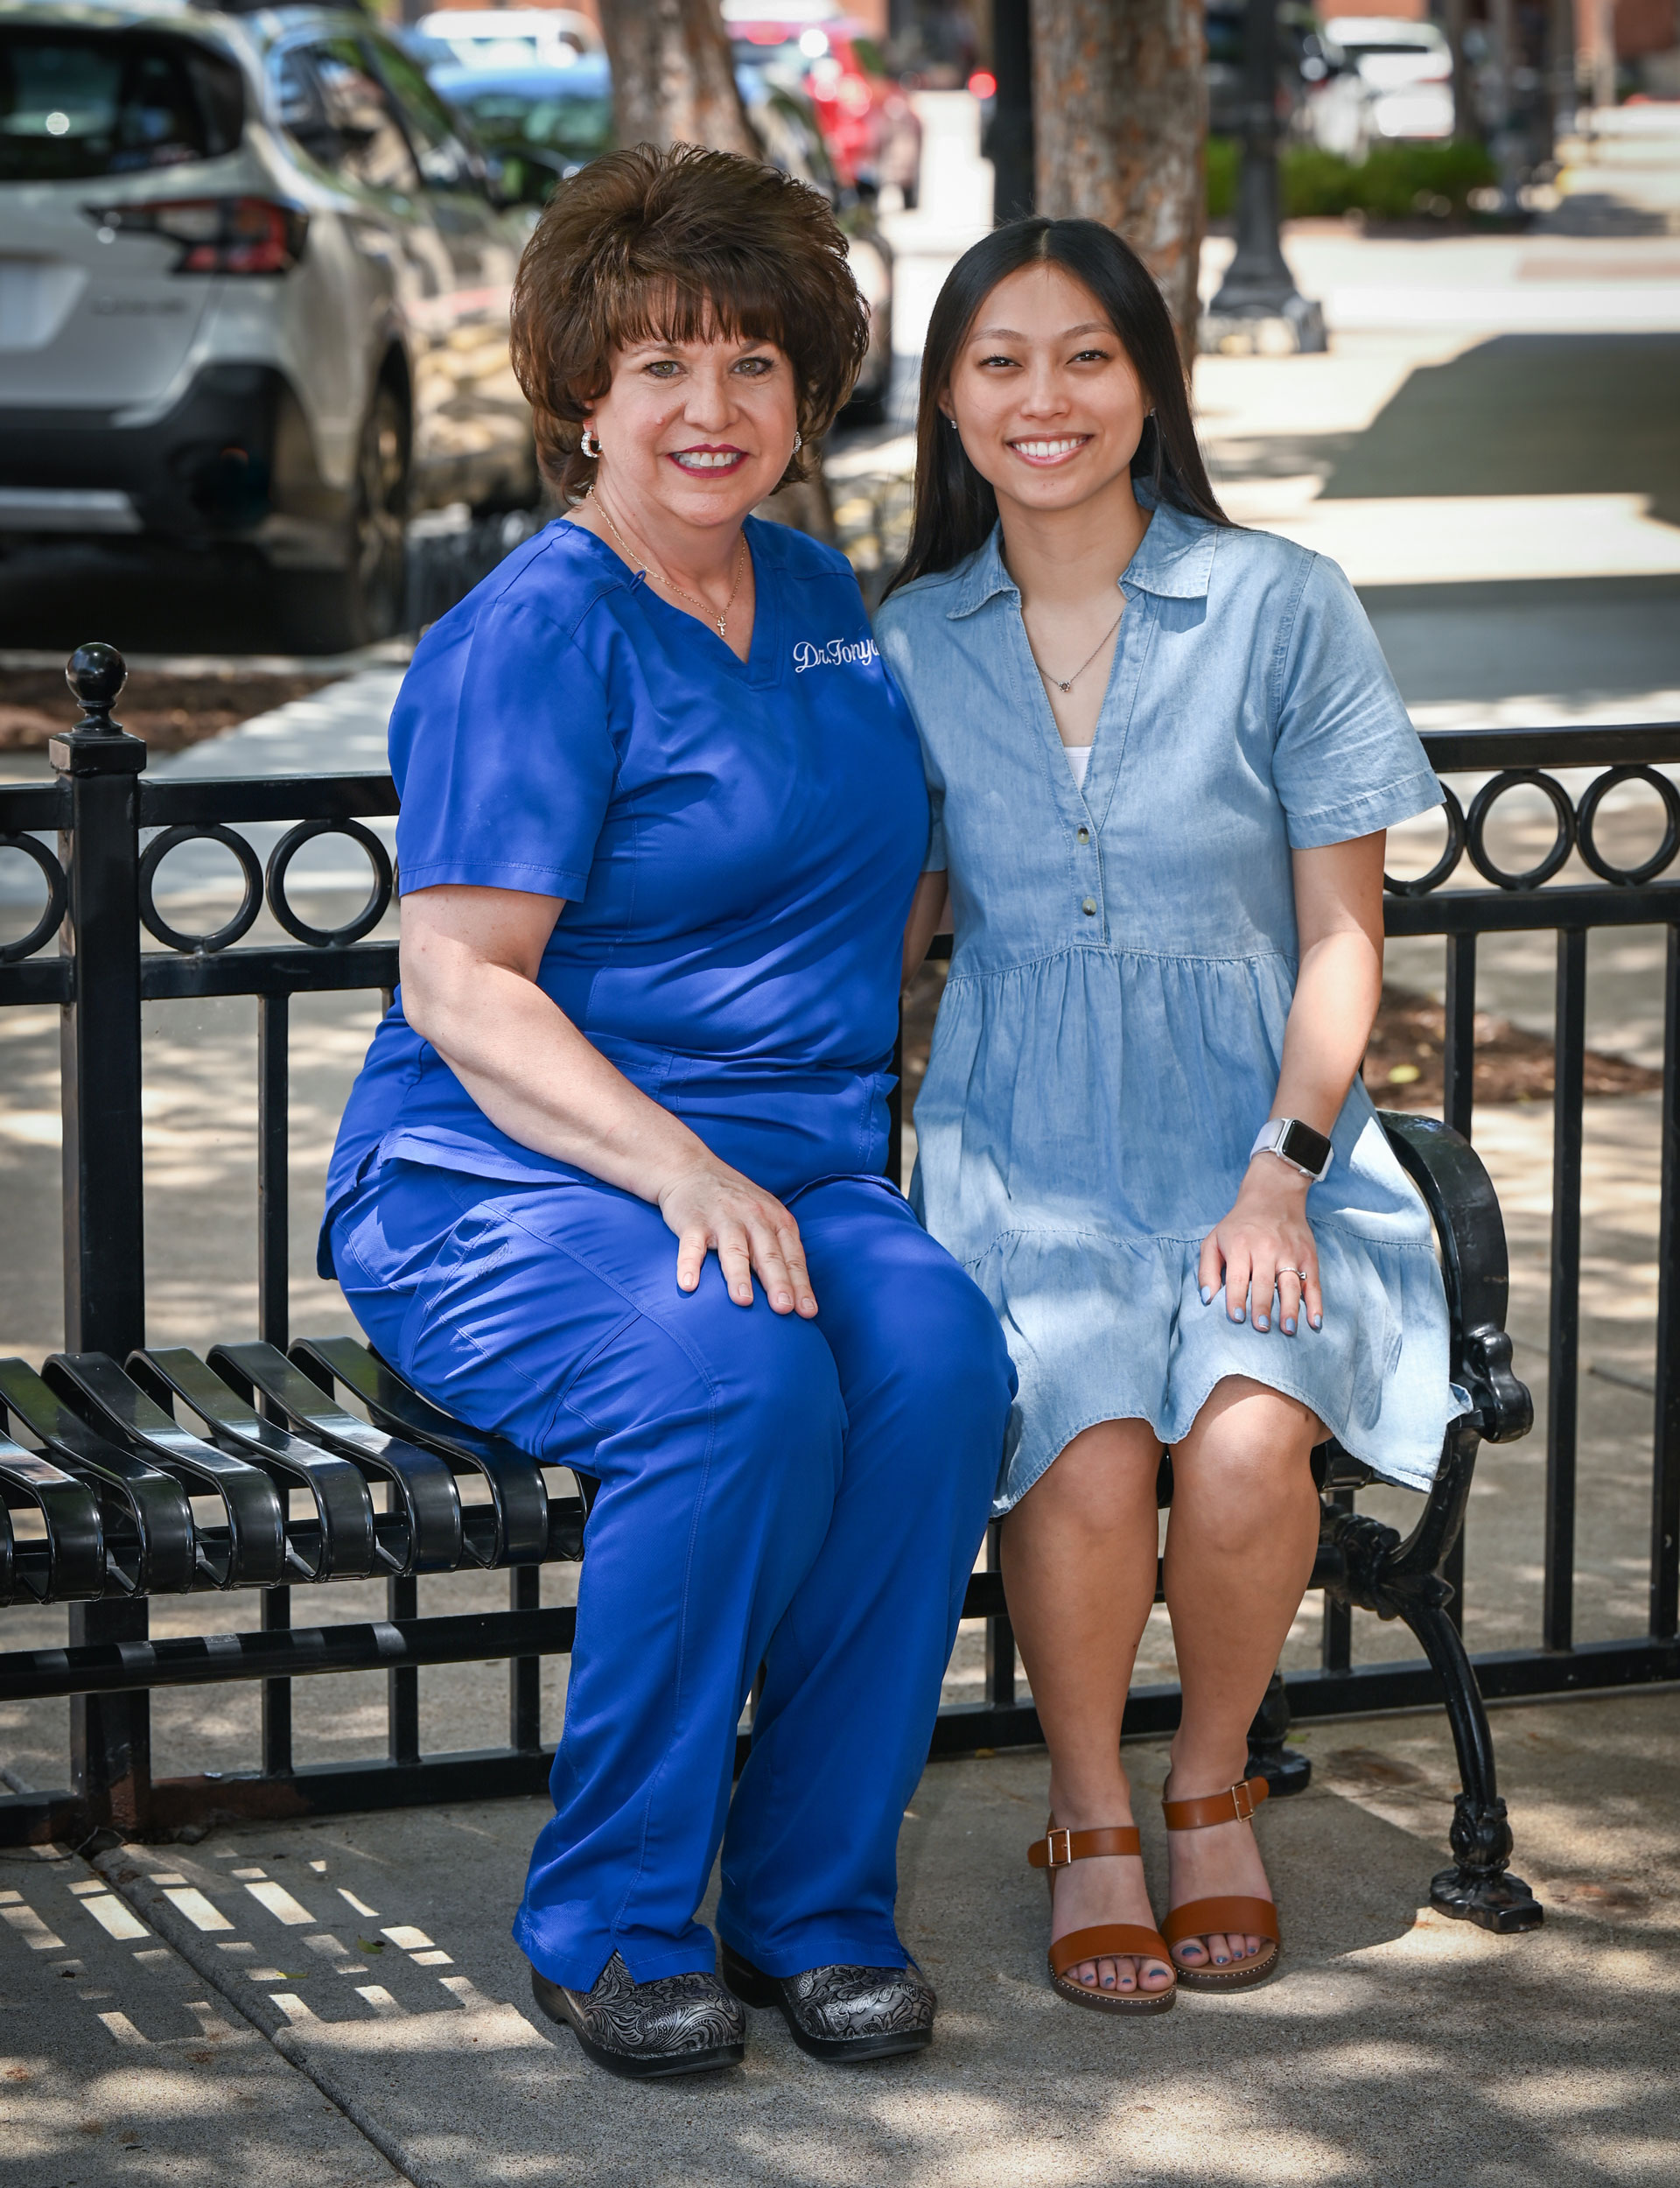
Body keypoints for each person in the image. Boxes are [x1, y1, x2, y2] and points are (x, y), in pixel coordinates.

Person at [319, 144, 1013, 2080]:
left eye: (753, 364)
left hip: (787, 1168)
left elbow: (893, 869)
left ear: (807, 389)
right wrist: (681, 1164)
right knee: (738, 1380)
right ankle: (613, 1921)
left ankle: (813, 1903)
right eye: (661, 368)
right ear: (582, 393)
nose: (713, 409)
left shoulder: (816, 597)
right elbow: (463, 986)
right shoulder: (532, 633)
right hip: (505, 1174)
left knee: (943, 1361)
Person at [874, 217, 1457, 2015]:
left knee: (1244, 1433)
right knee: (1085, 1430)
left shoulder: (1281, 603)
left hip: (1256, 1144)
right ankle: (1086, 1812)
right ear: (948, 402)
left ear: (1149, 383)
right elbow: (879, 934)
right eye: (999, 362)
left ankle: (1207, 1784)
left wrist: (1283, 1173)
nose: (1042, 398)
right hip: (1019, 1151)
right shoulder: (907, 639)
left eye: (1086, 356)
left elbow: (1342, 935)